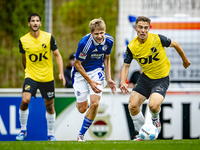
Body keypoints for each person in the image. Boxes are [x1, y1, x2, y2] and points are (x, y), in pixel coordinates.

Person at [120, 16, 191, 141]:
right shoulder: (132, 46)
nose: (143, 30)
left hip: (161, 79)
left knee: (153, 106)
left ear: (148, 29)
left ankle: (155, 121)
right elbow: (126, 65)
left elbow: (176, 44)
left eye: (145, 28)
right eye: (140, 27)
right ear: (136, 28)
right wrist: (122, 82)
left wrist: (185, 60)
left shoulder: (157, 39)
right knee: (132, 105)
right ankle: (143, 133)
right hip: (145, 78)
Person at [16, 13, 66, 141]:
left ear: (40, 24)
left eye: (37, 20)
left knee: (49, 106)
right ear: (29, 24)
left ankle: (50, 134)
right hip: (31, 76)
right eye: (32, 21)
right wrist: (27, 71)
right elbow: (24, 58)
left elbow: (57, 55)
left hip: (47, 77)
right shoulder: (23, 40)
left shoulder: (48, 37)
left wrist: (61, 72)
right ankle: (23, 130)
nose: (35, 23)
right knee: (25, 100)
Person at [72, 18, 116, 141]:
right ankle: (82, 102)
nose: (100, 36)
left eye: (101, 33)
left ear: (105, 31)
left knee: (95, 104)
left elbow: (107, 58)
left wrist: (109, 78)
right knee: (82, 109)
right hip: (80, 72)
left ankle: (81, 135)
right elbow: (77, 64)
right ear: (91, 33)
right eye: (96, 34)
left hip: (97, 71)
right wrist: (89, 82)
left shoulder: (109, 40)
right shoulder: (84, 44)